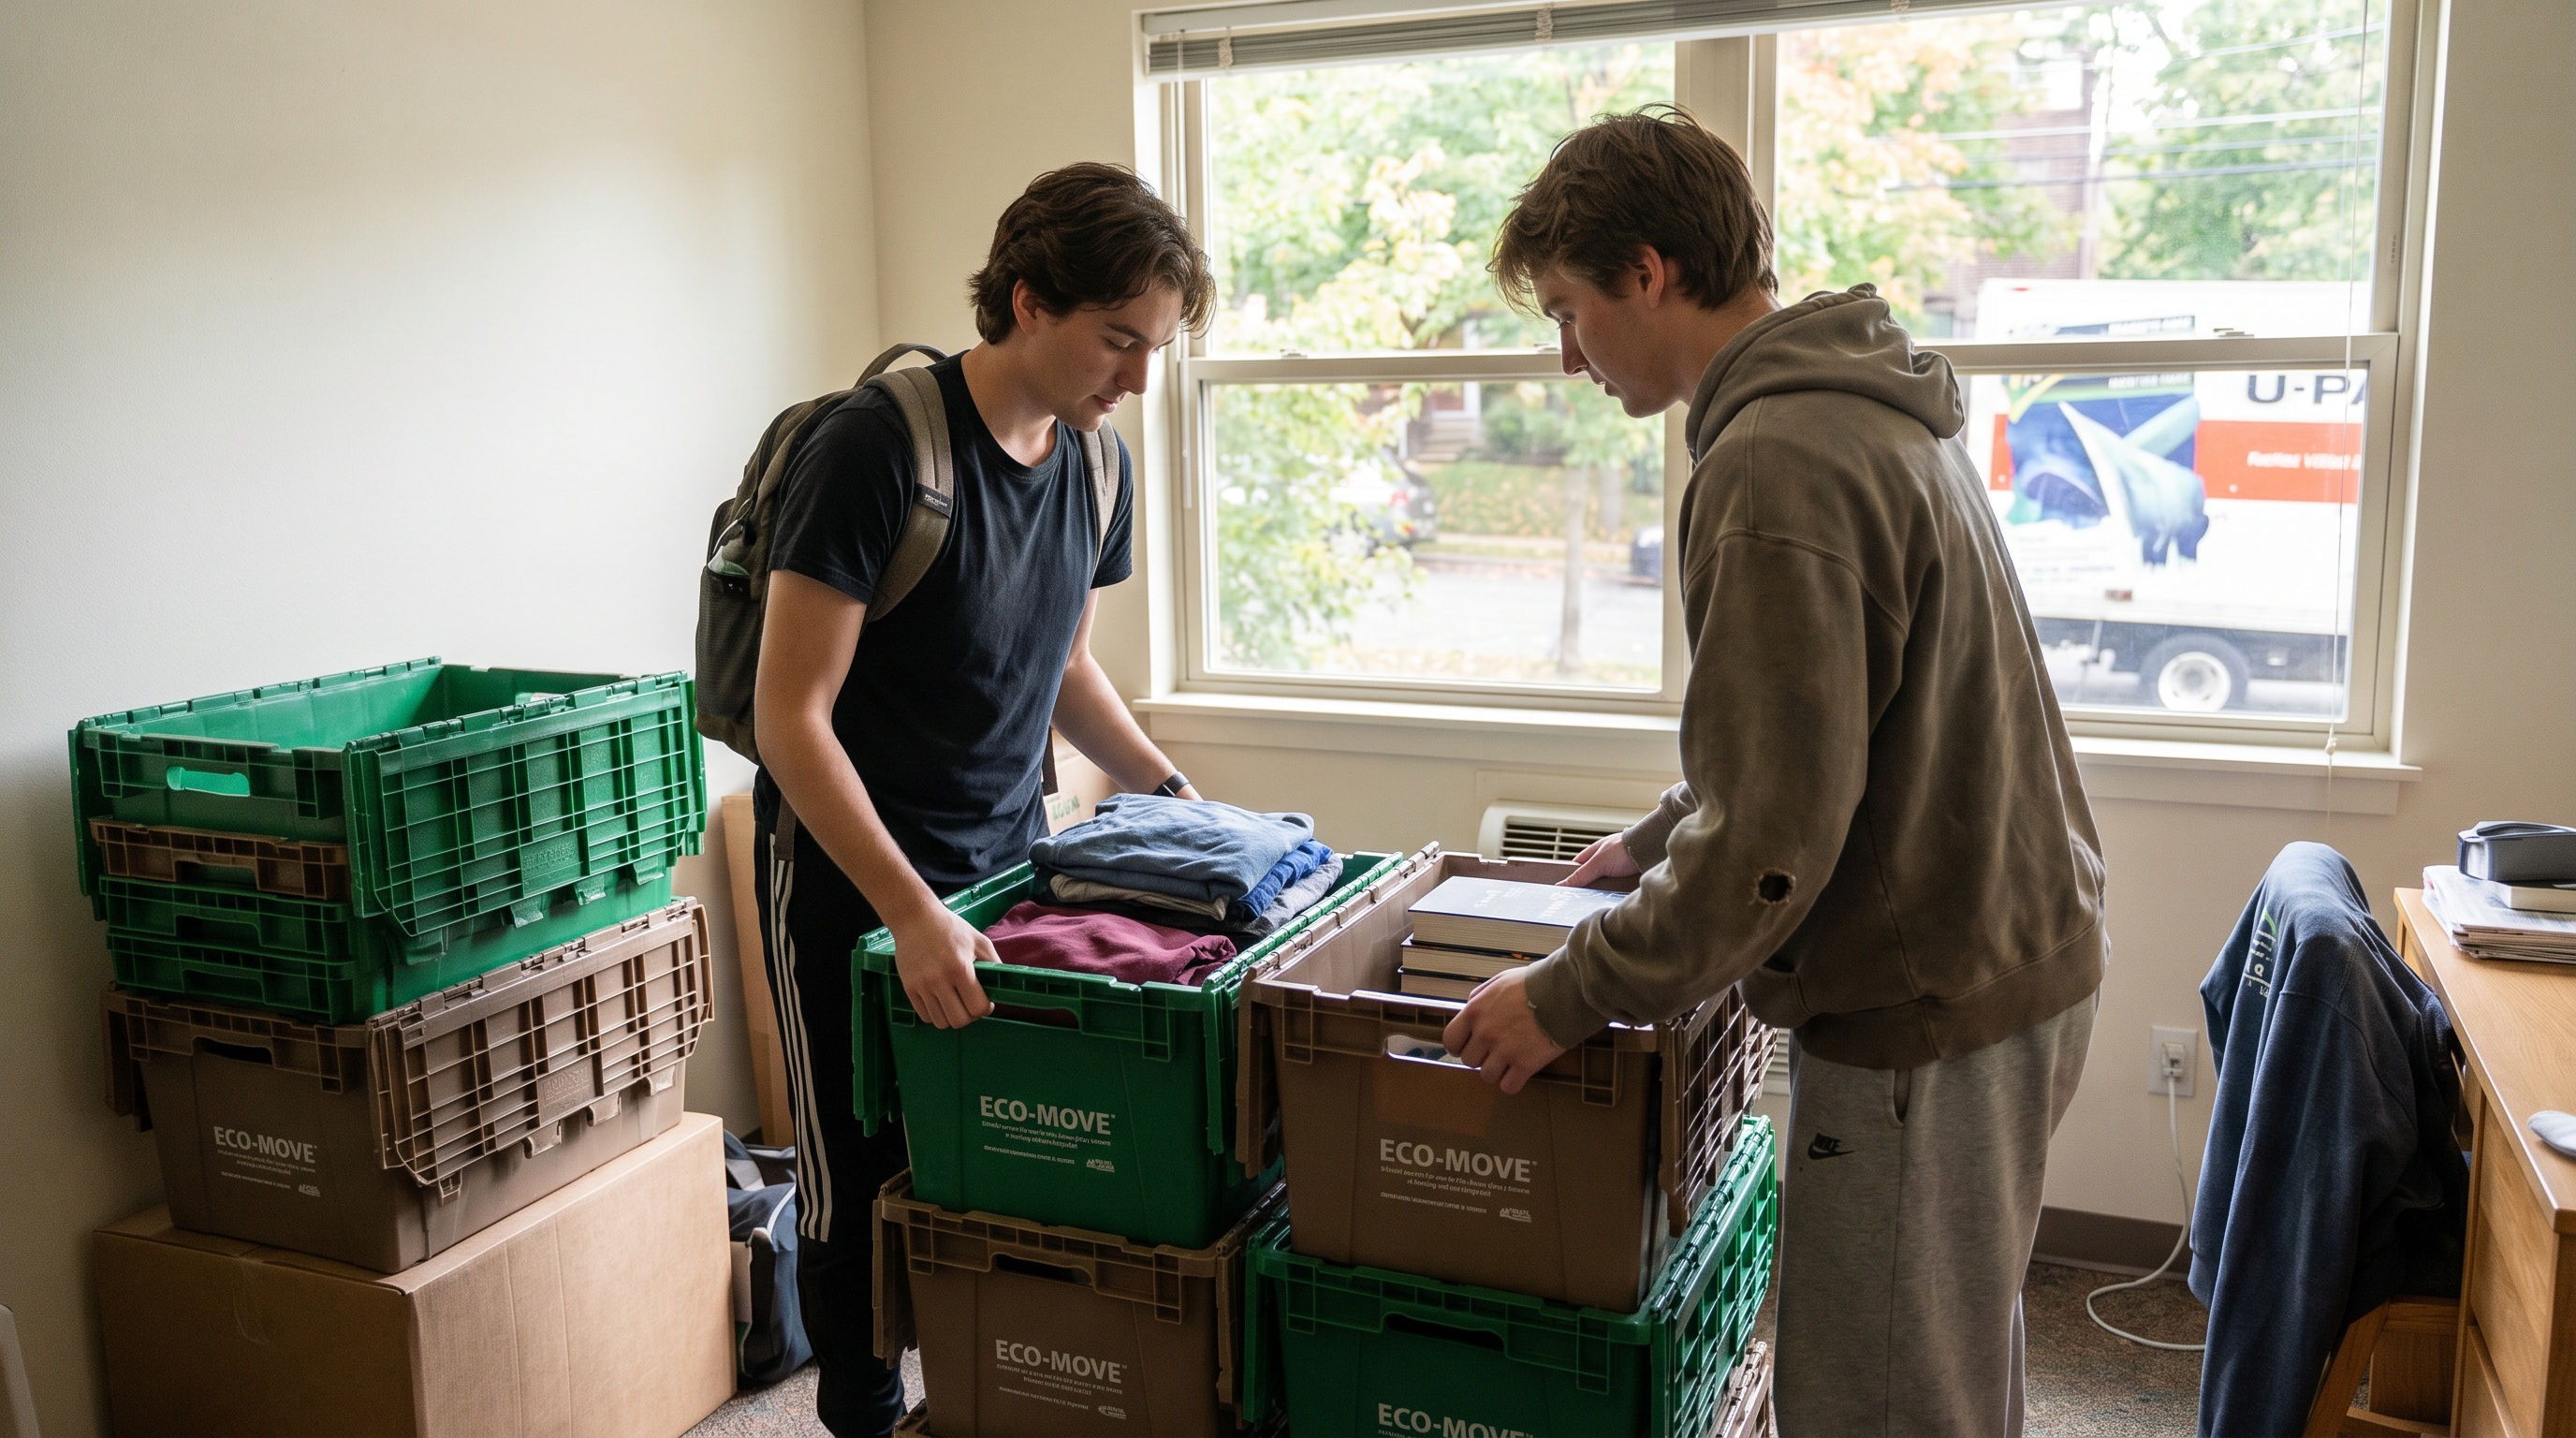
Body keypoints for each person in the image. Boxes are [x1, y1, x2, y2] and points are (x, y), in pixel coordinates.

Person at [1444, 107, 2106, 1437]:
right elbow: (1826, 722)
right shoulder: (1853, 409)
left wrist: (1569, 994)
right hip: (2010, 954)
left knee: (1879, 1400)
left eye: (1572, 311)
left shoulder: (1776, 461)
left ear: (1648, 272)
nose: (1569, 358)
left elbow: (1772, 840)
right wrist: (1650, 838)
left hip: (1928, 1002)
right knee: (1949, 1359)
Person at [749, 161, 1212, 1438]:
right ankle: (853, 1414)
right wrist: (906, 911)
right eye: (1117, 339)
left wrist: (1182, 801)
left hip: (1007, 868)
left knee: (991, 1161)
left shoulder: (1095, 468)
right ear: (1025, 299)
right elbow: (792, 718)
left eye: (1154, 347)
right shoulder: (879, 448)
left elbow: (1063, 667)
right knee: (854, 1180)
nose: (1134, 377)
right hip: (850, 882)